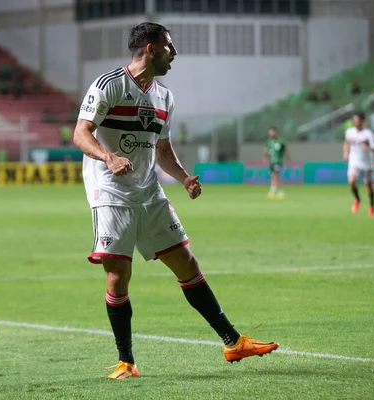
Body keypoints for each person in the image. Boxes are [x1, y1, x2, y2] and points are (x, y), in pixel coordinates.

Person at [72, 22, 279, 380]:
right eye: (169, 46)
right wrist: (108, 157)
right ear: (150, 48)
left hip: (148, 190)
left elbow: (163, 149)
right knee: (117, 277)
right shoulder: (109, 85)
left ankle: (233, 342)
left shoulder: (164, 97)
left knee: (187, 263)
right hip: (111, 192)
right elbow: (81, 133)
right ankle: (127, 362)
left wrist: (183, 178)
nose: (175, 53)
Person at [343, 111, 374, 216]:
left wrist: (368, 148)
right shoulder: (349, 132)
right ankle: (357, 199)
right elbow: (346, 142)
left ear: (362, 121)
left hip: (366, 164)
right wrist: (345, 153)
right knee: (351, 181)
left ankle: (372, 206)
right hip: (354, 161)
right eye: (354, 121)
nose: (356, 123)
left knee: (369, 187)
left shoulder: (368, 134)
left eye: (358, 121)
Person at [263, 127, 288, 199]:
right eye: (269, 132)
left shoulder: (281, 141)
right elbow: (266, 150)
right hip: (272, 162)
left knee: (275, 176)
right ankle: (276, 191)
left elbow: (285, 150)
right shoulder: (269, 142)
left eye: (271, 132)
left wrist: (287, 158)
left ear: (275, 132)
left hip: (278, 161)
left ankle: (276, 192)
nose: (270, 134)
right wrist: (265, 156)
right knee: (273, 176)